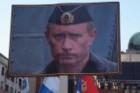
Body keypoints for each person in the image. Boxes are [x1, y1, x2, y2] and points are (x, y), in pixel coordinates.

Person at [43, 4, 117, 74]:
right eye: (59, 36)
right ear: (47, 37)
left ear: (91, 36)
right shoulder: (42, 77)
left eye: (75, 36)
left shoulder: (114, 71)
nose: (66, 46)